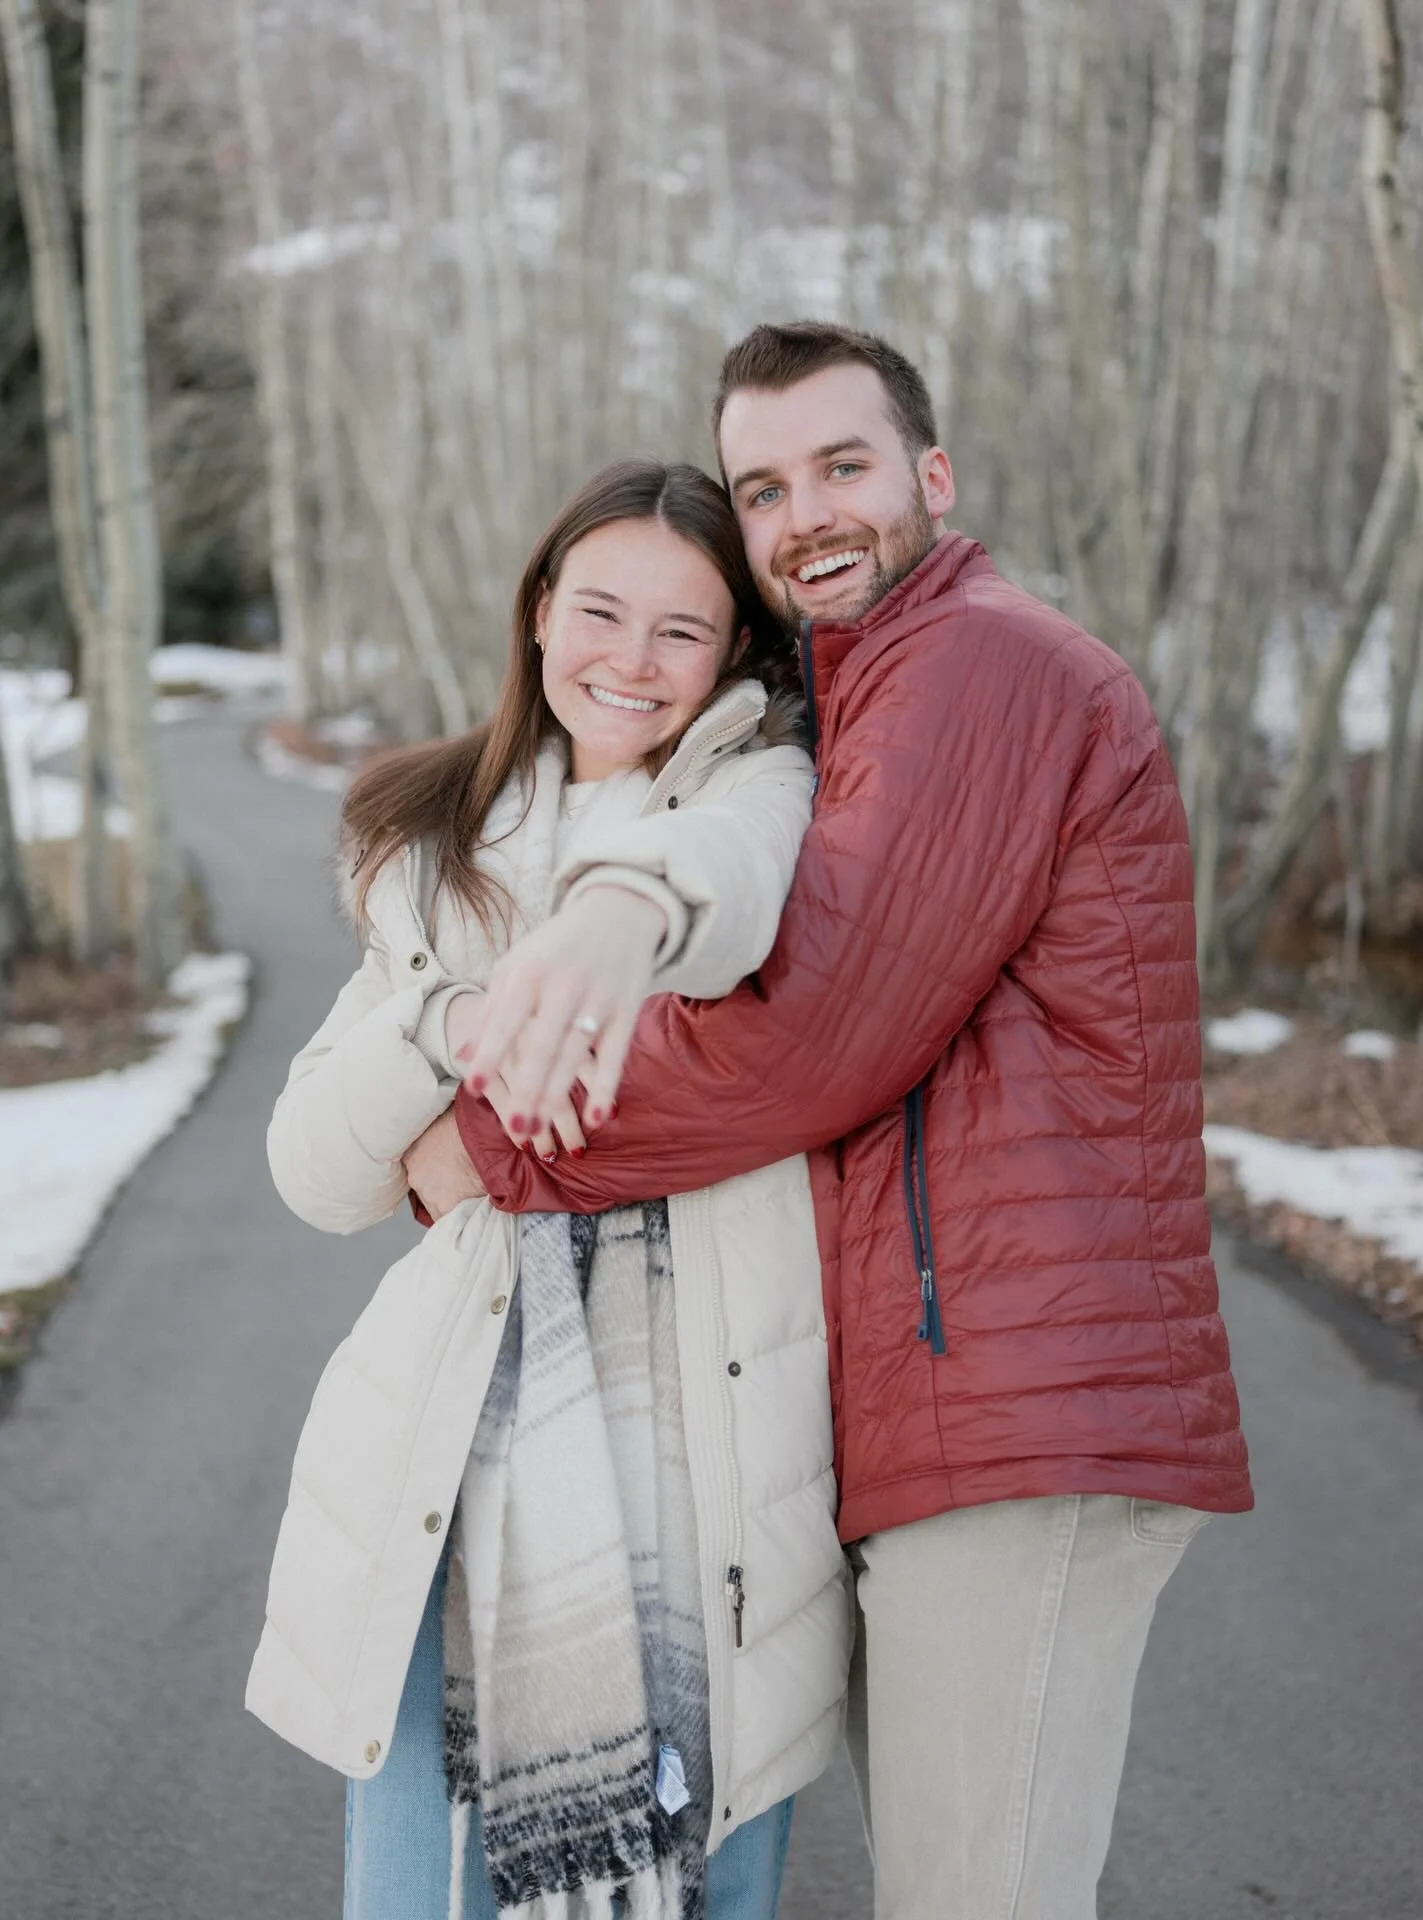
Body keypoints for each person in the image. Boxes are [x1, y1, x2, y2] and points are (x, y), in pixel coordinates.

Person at [436, 323, 1256, 1920]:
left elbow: (808, 1038)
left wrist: (485, 1144)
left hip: (1021, 1405)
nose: (807, 511)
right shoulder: (862, 692)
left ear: (929, 477)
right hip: (941, 1413)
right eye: (764, 485)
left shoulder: (983, 666)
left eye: (843, 466)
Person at [248, 458, 852, 1920]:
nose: (630, 663)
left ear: (736, 657)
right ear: (536, 614)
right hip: (440, 1464)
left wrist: (613, 929)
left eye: (681, 631)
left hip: (701, 1471)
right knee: (414, 1884)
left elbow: (729, 880)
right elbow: (319, 1167)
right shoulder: (431, 843)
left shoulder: (767, 797)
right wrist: (452, 1027)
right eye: (599, 611)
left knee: (699, 1873)